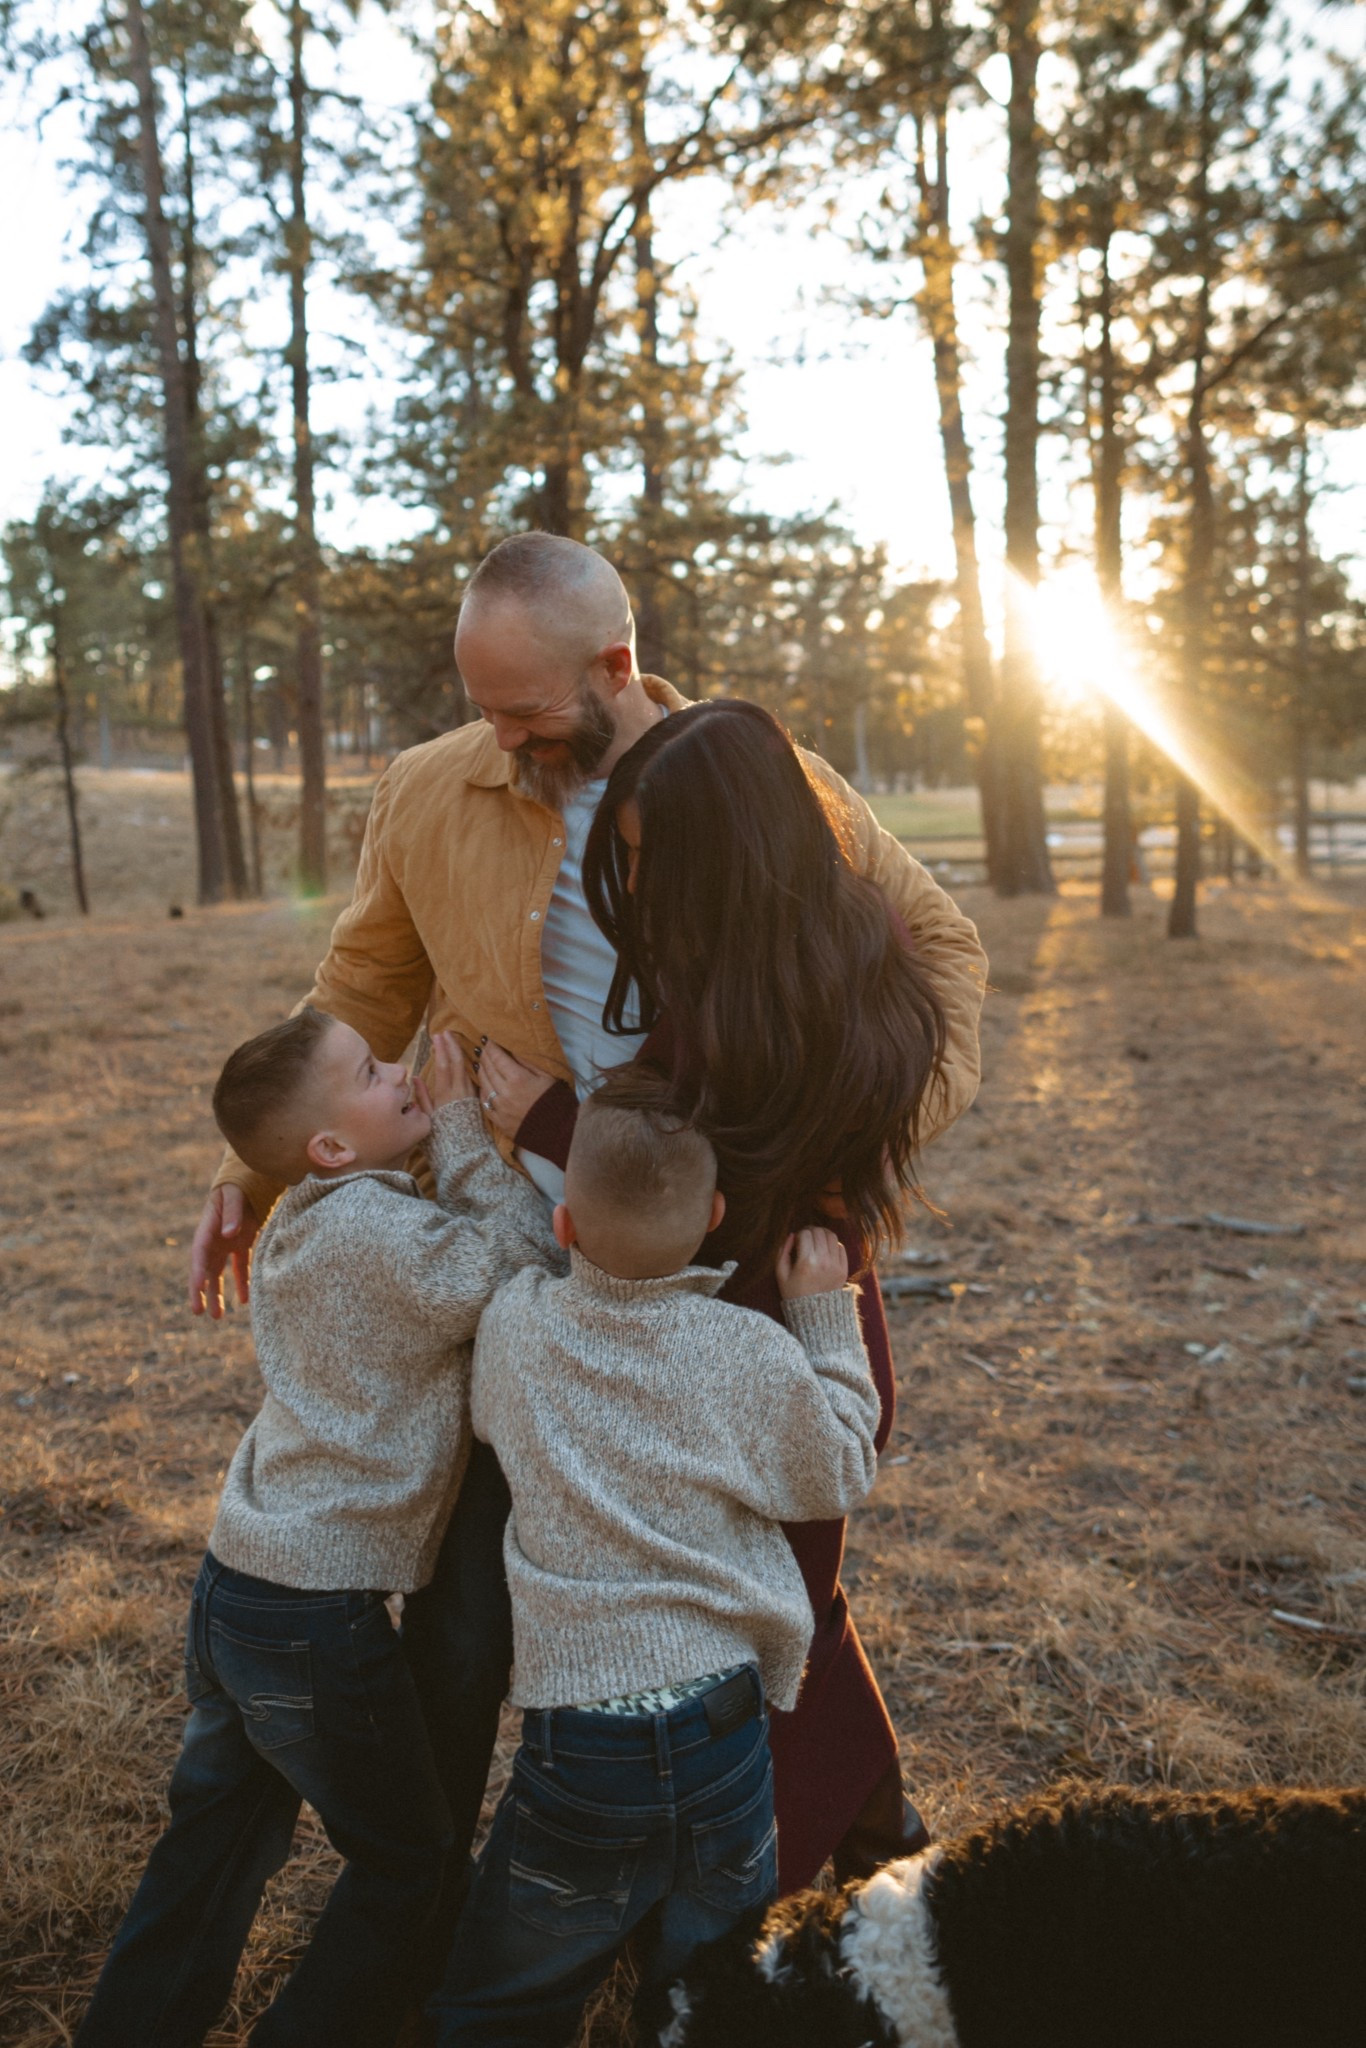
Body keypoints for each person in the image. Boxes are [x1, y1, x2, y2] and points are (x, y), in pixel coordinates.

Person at [186, 530, 986, 1888]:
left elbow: (928, 960)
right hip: (537, 1254)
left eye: (525, 709)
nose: (497, 738)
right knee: (486, 1577)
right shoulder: (433, 788)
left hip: (731, 1231)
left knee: (758, 1570)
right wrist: (254, 1171)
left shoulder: (758, 785)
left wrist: (839, 1168)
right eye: (478, 704)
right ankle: (429, 1884)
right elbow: (362, 987)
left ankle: (808, 1854)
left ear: (615, 664)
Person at [478, 695, 975, 1891]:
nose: (636, 888)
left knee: (767, 1632)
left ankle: (765, 1895)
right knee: (798, 1601)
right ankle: (881, 1832)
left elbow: (700, 1179)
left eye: (651, 862)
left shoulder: (749, 1028)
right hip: (801, 1318)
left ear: (727, 858)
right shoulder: (832, 965)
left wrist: (543, 1118)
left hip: (771, 1346)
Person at [79, 1017, 559, 2048]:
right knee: (410, 1858)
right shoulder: (374, 1235)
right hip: (311, 1619)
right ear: (331, 1147)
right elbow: (517, 1259)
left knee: (214, 1841)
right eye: (374, 1072)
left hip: (237, 1589)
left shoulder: (309, 1212)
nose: (400, 1072)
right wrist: (471, 1126)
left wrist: (427, 1130)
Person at [431, 1077, 881, 2047]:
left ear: (564, 1219)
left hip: (582, 1741)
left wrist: (467, 1128)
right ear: (716, 1216)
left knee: (499, 2000)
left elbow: (498, 1231)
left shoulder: (514, 1327)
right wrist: (825, 1315)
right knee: (708, 1994)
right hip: (723, 1729)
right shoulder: (746, 1352)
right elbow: (840, 1466)